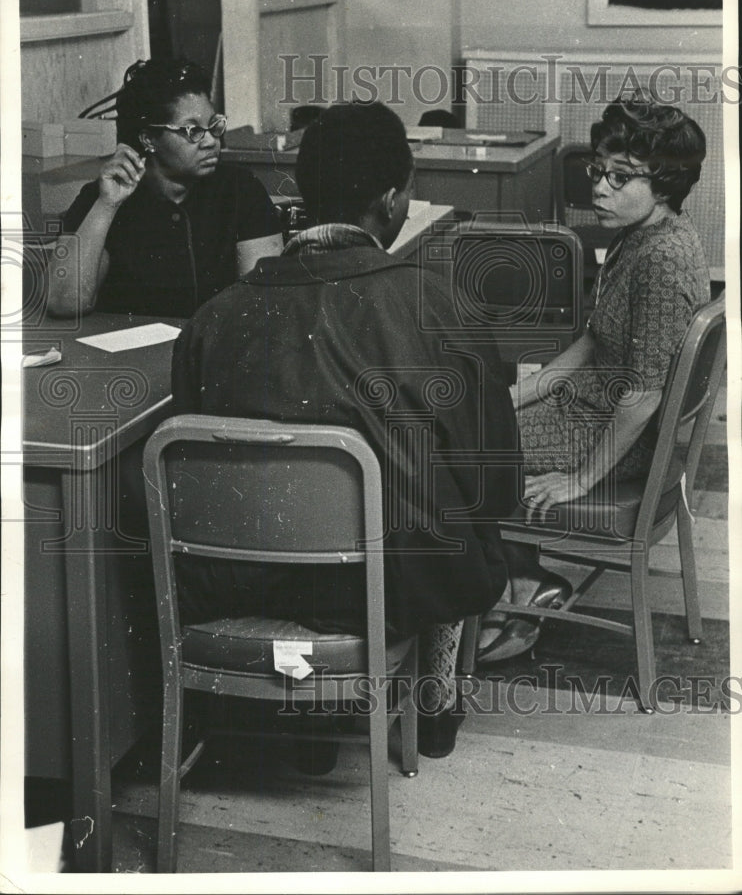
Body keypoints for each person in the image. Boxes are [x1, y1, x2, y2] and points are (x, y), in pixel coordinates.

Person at [171, 100, 521, 760]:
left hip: (233, 580)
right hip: (387, 584)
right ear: (391, 202)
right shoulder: (433, 302)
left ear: (304, 193)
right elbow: (493, 479)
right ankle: (436, 699)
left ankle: (292, 705)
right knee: (464, 509)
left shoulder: (213, 318)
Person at [477, 90, 711, 663]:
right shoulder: (640, 232)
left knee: (456, 449)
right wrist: (512, 396)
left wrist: (579, 479)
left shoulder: (662, 258)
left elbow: (644, 395)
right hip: (592, 409)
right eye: (598, 171)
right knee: (474, 417)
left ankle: (519, 585)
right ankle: (519, 573)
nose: (599, 188)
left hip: (624, 436)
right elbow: (591, 342)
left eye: (620, 177)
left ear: (664, 185)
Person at [46, 58, 283, 318]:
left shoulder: (240, 190)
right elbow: (64, 302)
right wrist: (107, 205)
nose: (211, 141)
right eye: (193, 130)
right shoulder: (101, 198)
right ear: (148, 139)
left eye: (214, 125)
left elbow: (264, 303)